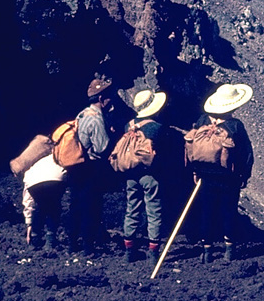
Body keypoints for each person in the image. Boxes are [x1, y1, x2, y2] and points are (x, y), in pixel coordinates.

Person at [190, 83, 254, 263]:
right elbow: (245, 153)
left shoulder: (202, 120)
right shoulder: (235, 126)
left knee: (207, 211)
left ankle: (207, 250)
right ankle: (229, 249)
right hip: (228, 176)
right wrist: (244, 175)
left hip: (205, 174)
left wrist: (196, 171)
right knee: (228, 210)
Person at [66, 77, 116, 254]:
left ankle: (72, 243)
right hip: (90, 168)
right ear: (101, 99)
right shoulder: (96, 119)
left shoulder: (81, 114)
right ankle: (88, 246)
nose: (111, 99)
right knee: (91, 206)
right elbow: (102, 148)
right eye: (108, 96)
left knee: (75, 204)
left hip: (75, 165)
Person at [119, 89, 169, 266]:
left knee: (131, 208)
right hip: (150, 175)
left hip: (131, 175)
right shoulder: (156, 127)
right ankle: (153, 252)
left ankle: (129, 251)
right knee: (153, 210)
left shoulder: (129, 125)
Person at [22, 150, 67, 252]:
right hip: (56, 178)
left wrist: (29, 223)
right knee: (54, 208)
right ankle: (50, 241)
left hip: (32, 182)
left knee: (40, 207)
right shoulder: (60, 155)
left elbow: (28, 200)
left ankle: (35, 238)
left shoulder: (35, 165)